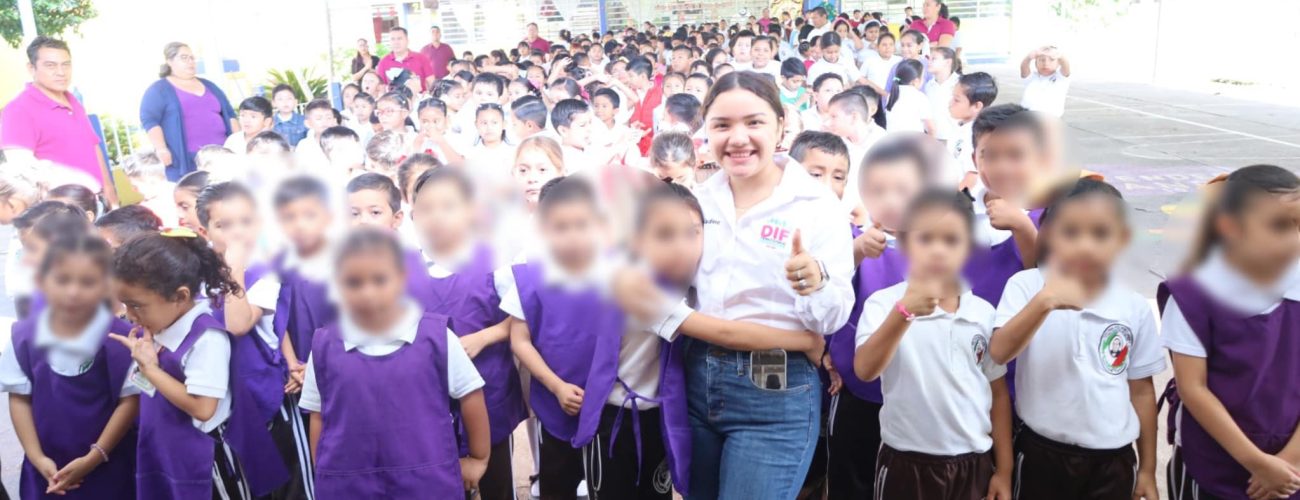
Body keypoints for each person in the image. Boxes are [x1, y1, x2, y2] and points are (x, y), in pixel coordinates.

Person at [669, 71, 854, 500]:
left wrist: (816, 283)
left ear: (780, 124)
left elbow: (833, 315)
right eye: (721, 125)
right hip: (696, 379)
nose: (738, 138)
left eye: (754, 122)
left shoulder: (815, 205)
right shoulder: (699, 199)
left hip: (775, 389)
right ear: (705, 131)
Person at [990, 179, 1162, 500]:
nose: (1085, 245)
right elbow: (998, 353)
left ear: (1122, 239)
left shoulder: (1133, 305)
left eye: (1100, 234)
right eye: (1070, 232)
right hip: (1041, 450)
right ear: (1049, 235)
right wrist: (1044, 303)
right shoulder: (1026, 286)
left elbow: (1141, 390)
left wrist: (1148, 469)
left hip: (1113, 457)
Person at [301, 228, 490, 497]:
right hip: (349, 485)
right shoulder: (324, 346)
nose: (368, 292)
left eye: (380, 280)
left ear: (402, 279)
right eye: (353, 282)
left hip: (428, 482)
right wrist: (322, 466)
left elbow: (470, 394)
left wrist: (478, 457)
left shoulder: (435, 338)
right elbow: (317, 413)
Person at [853, 189, 1013, 500]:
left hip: (973, 462)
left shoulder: (981, 312)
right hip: (905, 460)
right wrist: (904, 313)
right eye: (925, 239)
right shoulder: (883, 304)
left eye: (951, 240)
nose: (938, 250)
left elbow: (997, 392)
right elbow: (865, 370)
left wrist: (1004, 471)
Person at [109, 230, 285, 499]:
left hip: (204, 463)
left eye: (136, 306)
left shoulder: (207, 338)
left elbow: (203, 408)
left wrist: (150, 370)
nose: (128, 315)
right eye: (125, 305)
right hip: (169, 450)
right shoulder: (161, 324)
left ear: (180, 296)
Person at [1161, 165, 1300, 499]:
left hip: (1289, 469)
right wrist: (1258, 463)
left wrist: (1287, 461)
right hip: (1212, 462)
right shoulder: (1192, 296)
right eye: (1279, 225)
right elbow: (1193, 388)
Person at [407, 168, 527, 500]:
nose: (437, 217)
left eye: (448, 206)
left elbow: (521, 319)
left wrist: (483, 338)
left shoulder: (494, 262)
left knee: (495, 480)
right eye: (426, 208)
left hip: (489, 390)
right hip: (429, 397)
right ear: (413, 215)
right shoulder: (402, 269)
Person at [194, 182, 314, 499]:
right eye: (223, 225)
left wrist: (234, 266)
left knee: (289, 479)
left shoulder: (262, 272)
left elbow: (240, 323)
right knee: (248, 482)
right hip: (222, 394)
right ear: (204, 231)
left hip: (265, 391)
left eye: (245, 222)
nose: (236, 232)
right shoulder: (196, 276)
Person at [1, 233, 138, 499]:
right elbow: (19, 398)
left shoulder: (121, 337)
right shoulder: (24, 336)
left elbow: (129, 401)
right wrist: (36, 457)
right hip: (47, 467)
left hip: (109, 461)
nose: (73, 291)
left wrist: (95, 457)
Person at [2, 36, 118, 207]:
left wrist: (109, 189)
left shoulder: (73, 102)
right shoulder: (19, 109)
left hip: (97, 202)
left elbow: (94, 146)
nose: (61, 72)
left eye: (66, 64)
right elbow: (21, 169)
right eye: (50, 65)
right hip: (61, 210)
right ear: (31, 68)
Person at [269, 176, 338, 416]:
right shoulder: (278, 261)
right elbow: (277, 317)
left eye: (309, 215)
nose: (299, 224)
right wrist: (292, 363)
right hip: (297, 367)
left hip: (338, 361)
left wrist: (316, 366)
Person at [140, 42, 238, 181]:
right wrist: (161, 148)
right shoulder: (159, 89)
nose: (190, 62)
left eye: (192, 58)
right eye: (184, 58)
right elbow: (150, 120)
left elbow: (230, 115)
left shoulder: (210, 85)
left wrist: (239, 143)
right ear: (170, 61)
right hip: (187, 161)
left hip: (222, 156)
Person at [824, 90, 886, 211]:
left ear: (853, 117)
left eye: (834, 117)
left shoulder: (884, 143)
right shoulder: (836, 144)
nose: (828, 123)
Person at [948, 72, 997, 191]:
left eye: (956, 100)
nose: (950, 103)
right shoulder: (961, 126)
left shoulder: (974, 135)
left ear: (976, 106)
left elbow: (971, 178)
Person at [121, 153, 178, 227]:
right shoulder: (182, 190)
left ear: (151, 181)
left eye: (135, 186)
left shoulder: (148, 209)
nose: (133, 190)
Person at [376, 27, 436, 92]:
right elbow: (381, 89)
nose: (396, 42)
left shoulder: (421, 58)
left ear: (407, 41)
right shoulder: (383, 62)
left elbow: (431, 83)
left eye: (399, 39)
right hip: (394, 100)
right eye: (392, 39)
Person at [1019, 46, 1071, 118]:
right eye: (1042, 60)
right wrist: (1028, 58)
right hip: (1026, 117)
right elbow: (1023, 68)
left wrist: (1060, 56)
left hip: (1050, 119)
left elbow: (1066, 66)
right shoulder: (1032, 77)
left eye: (1052, 60)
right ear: (1036, 63)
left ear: (1058, 64)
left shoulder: (1061, 78)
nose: (1046, 63)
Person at [885, 59, 934, 135]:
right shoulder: (920, 97)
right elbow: (931, 128)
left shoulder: (891, 95)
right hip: (912, 143)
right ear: (915, 81)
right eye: (923, 77)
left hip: (892, 142)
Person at [924, 46, 962, 145]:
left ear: (948, 62)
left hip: (953, 139)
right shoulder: (929, 85)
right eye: (929, 59)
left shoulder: (960, 84)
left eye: (934, 59)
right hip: (931, 137)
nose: (929, 62)